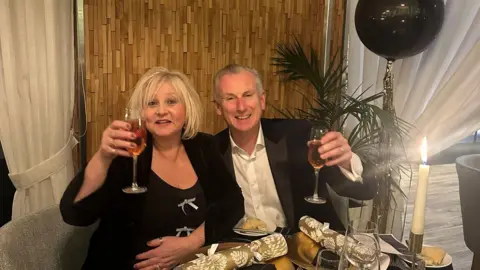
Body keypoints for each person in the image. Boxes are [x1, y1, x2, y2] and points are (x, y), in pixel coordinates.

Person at [60, 67, 244, 270]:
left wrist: (190, 244)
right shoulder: (129, 154)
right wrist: (103, 157)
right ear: (142, 113)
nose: (161, 111)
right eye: (152, 103)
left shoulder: (203, 146)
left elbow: (232, 203)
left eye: (171, 101)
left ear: (187, 107)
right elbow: (74, 214)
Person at [212, 64, 378, 232]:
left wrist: (347, 162)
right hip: (243, 249)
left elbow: (365, 191)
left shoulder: (299, 136)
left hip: (305, 247)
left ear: (262, 101)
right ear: (218, 107)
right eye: (230, 98)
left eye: (248, 95)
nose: (241, 106)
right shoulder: (211, 152)